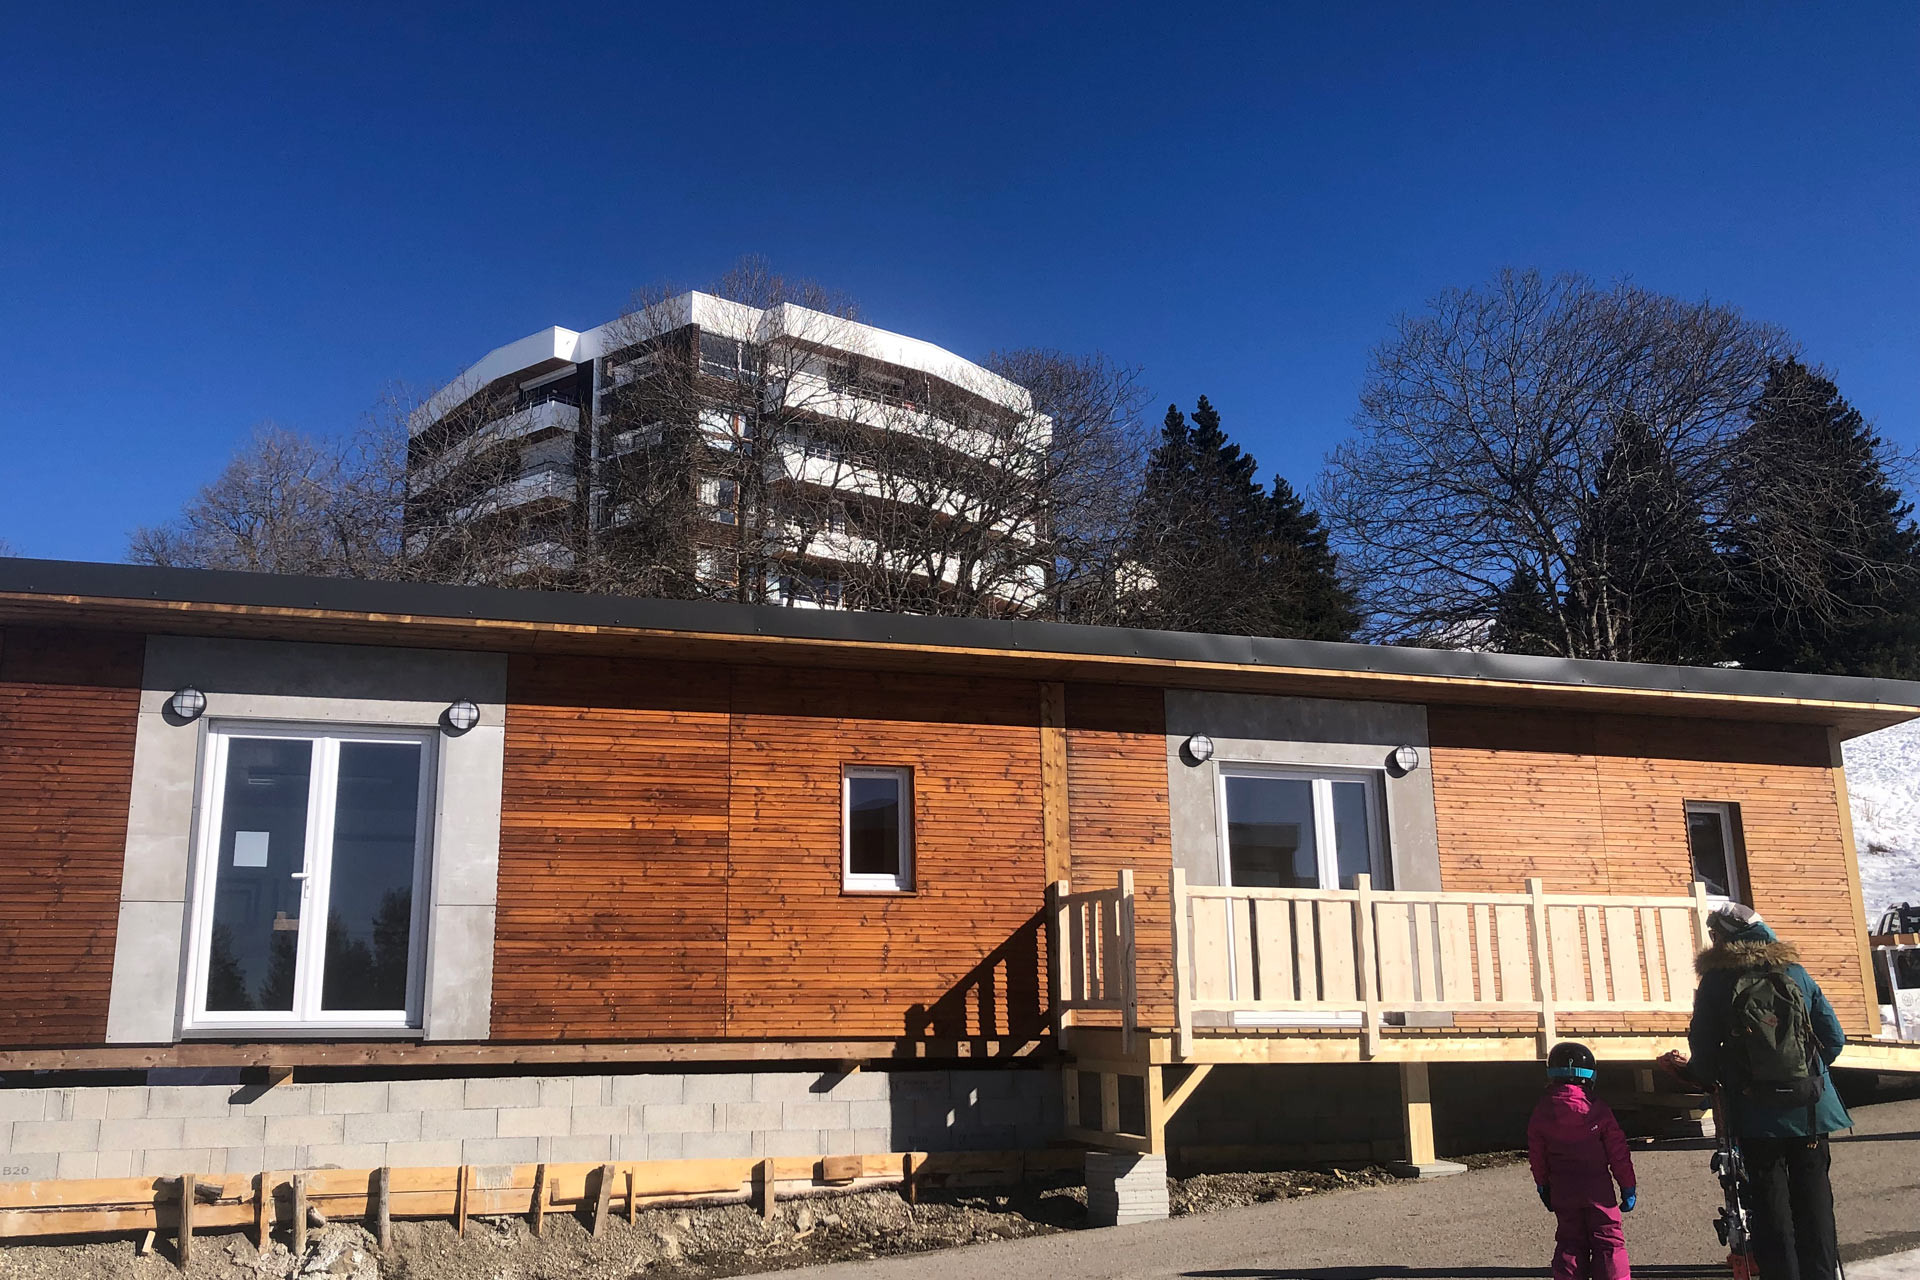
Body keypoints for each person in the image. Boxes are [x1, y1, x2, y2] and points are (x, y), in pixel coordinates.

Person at [1687, 903, 1852, 1280]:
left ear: (1724, 937)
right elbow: (1834, 1039)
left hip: (1754, 1111)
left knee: (1769, 1204)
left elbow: (1704, 1053)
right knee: (1815, 1202)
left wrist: (1717, 1078)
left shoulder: (1717, 980)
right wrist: (1803, 1073)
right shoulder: (1795, 971)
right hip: (1810, 1107)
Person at [1529, 1040, 1638, 1280]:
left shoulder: (1542, 1112)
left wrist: (1543, 1185)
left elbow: (1536, 1153)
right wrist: (1627, 1185)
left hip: (1562, 1188)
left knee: (1570, 1241)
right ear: (1589, 1077)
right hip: (1598, 1188)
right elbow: (1618, 1152)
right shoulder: (1597, 1110)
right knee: (1609, 1241)